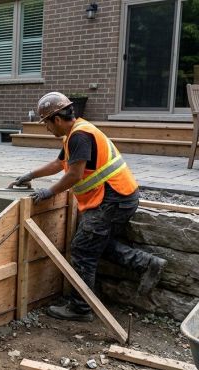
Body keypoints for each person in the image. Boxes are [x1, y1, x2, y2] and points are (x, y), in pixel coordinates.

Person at [8, 92, 167, 322]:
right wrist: (30, 175)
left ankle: (80, 308)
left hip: (114, 198)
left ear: (57, 120)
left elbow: (74, 175)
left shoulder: (80, 136)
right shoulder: (74, 132)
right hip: (117, 196)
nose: (47, 129)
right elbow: (59, 164)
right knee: (94, 244)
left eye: (47, 124)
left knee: (83, 249)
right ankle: (147, 263)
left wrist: (48, 192)